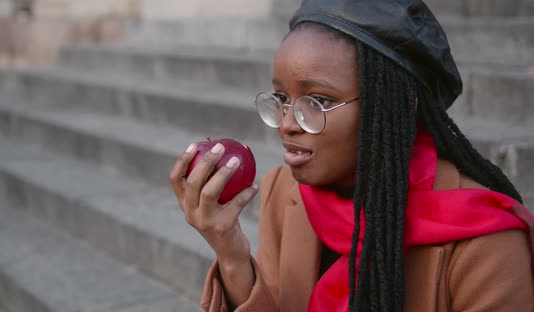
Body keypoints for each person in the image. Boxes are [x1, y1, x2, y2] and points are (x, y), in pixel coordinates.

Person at [169, 0, 534, 311]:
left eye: (319, 101)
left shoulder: (486, 245)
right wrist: (231, 255)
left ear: (399, 106)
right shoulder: (284, 191)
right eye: (282, 99)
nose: (286, 124)